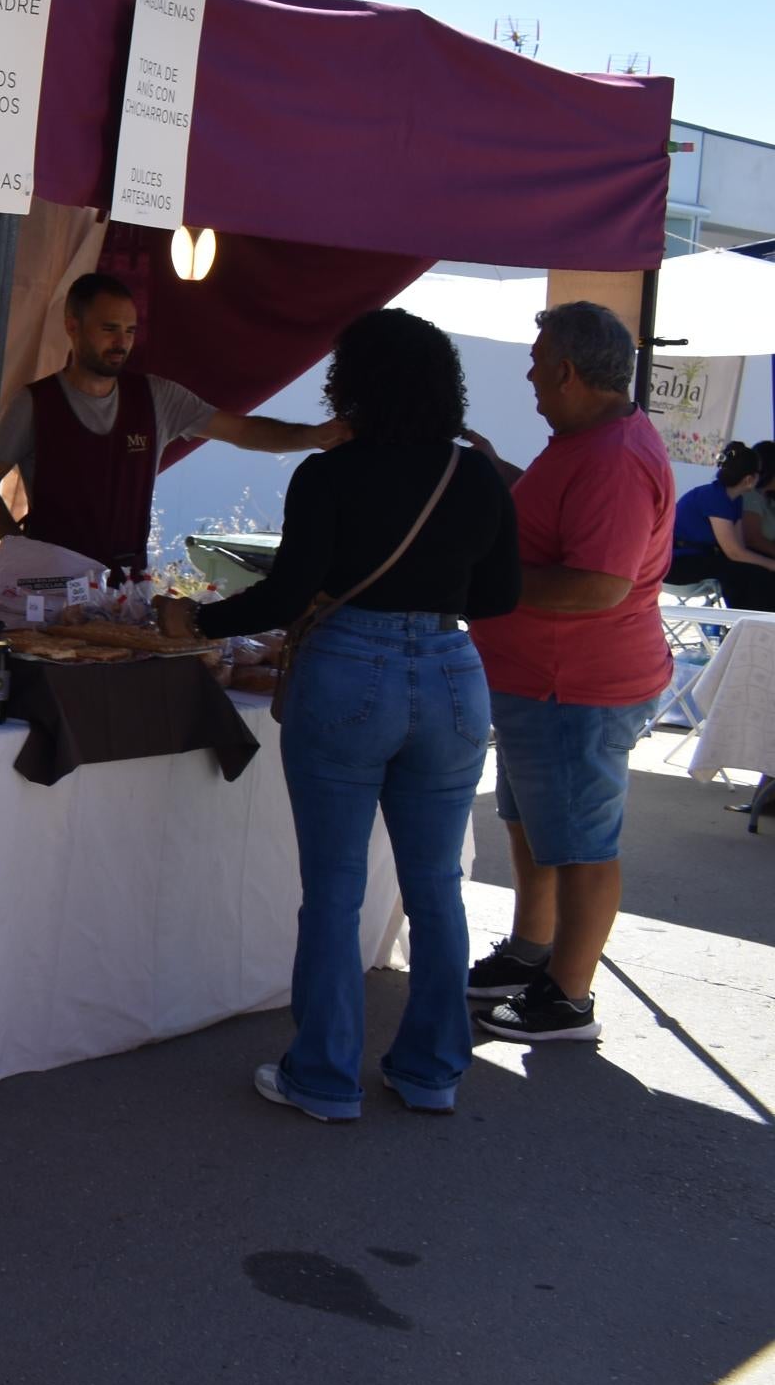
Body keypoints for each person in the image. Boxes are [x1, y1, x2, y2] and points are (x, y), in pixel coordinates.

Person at [156, 310, 519, 1119]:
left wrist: (195, 619)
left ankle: (324, 1077)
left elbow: (286, 596)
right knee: (437, 886)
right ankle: (432, 1072)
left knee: (334, 887)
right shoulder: (479, 474)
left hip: (351, 669)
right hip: (455, 674)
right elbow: (499, 597)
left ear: (352, 383)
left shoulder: (330, 473)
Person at [461, 302, 675, 1045]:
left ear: (569, 371)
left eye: (536, 358)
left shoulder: (614, 457)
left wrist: (483, 583)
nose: (528, 372)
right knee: (535, 825)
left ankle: (569, 997)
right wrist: (503, 473)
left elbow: (597, 585)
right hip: (543, 683)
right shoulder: (590, 441)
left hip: (575, 684)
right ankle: (533, 951)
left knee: (581, 843)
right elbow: (562, 521)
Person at [0, 271, 344, 575]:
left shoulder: (156, 397)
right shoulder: (35, 403)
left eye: (129, 330)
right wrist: (22, 549)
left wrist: (314, 436)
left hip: (125, 586)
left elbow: (242, 430)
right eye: (109, 329)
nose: (121, 342)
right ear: (72, 327)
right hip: (50, 585)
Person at [670, 442, 775, 609]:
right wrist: (770, 564)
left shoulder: (735, 499)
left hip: (700, 556)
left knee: (754, 569)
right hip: (676, 561)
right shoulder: (715, 498)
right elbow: (734, 552)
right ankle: (746, 623)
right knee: (741, 572)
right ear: (749, 479)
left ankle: (760, 622)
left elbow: (740, 548)